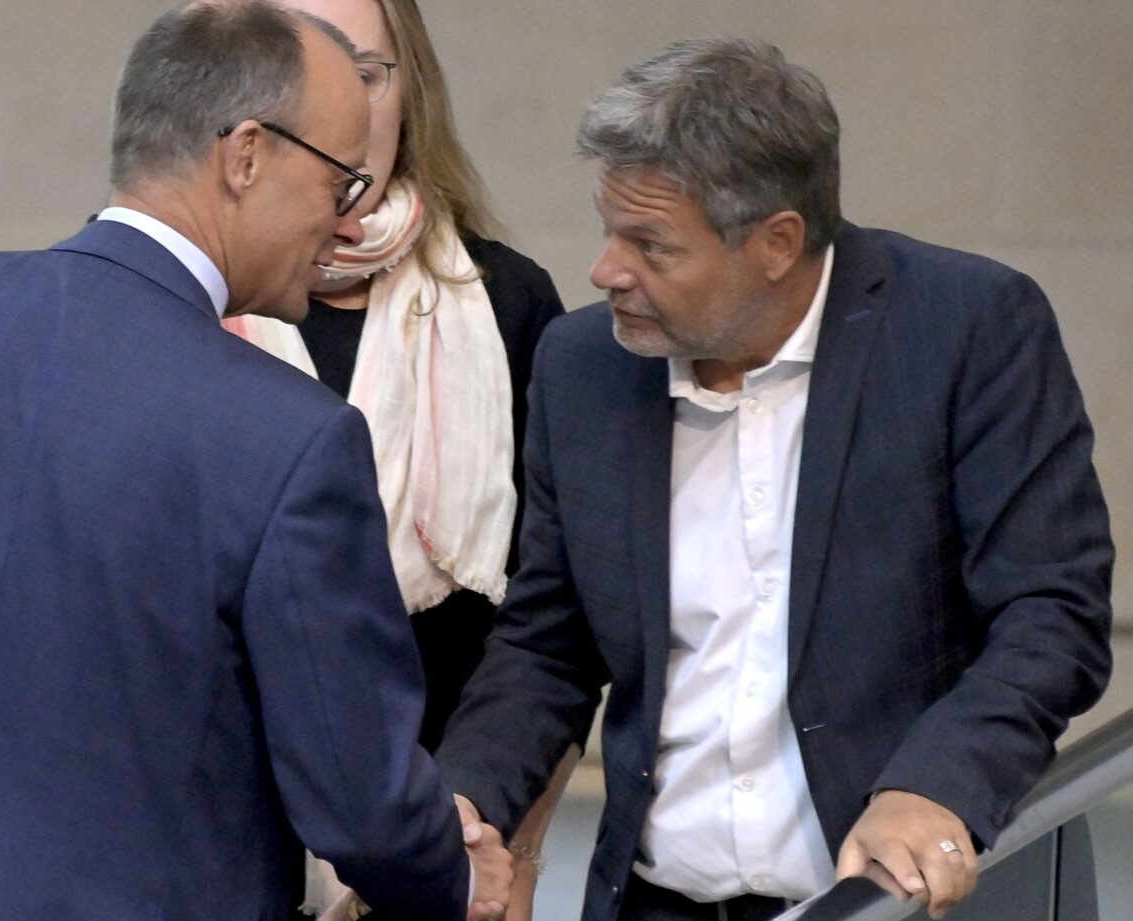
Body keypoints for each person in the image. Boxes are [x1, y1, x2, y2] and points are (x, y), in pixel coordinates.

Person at [0, 3, 512, 919]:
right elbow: (356, 789)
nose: (343, 220)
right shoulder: (290, 438)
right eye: (341, 182)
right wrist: (460, 875)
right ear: (244, 155)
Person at [436, 36, 1114, 921]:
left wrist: (934, 785)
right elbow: (546, 642)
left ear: (777, 243)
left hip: (892, 904)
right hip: (659, 900)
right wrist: (459, 798)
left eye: (651, 245)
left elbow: (1051, 612)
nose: (606, 271)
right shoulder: (583, 367)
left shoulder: (968, 330)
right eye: (610, 231)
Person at [220, 1, 572, 918]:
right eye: (301, 74)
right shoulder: (171, 303)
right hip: (214, 850)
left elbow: (551, 619)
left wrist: (507, 854)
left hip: (448, 850)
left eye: (366, 74)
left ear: (410, 91)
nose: (338, 106)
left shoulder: (510, 304)